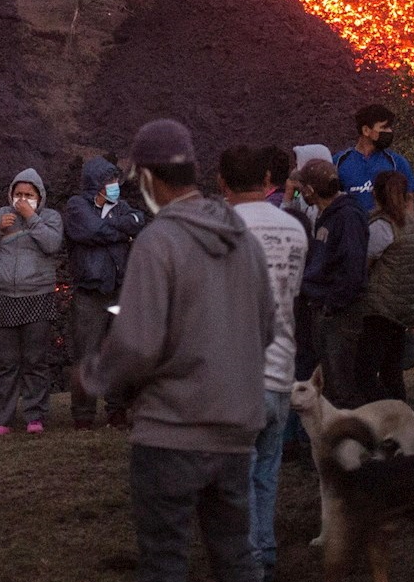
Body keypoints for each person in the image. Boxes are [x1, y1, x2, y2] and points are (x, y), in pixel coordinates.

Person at [80, 120, 272, 582]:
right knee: (235, 557)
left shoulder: (158, 241)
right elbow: (266, 329)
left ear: (147, 178)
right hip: (235, 427)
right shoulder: (243, 241)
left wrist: (94, 375)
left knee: (165, 561)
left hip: (172, 433)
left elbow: (137, 344)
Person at [218, 145, 308, 580]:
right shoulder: (294, 228)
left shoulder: (221, 228)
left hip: (236, 371)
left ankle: (250, 560)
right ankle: (265, 550)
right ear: (270, 178)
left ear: (222, 182)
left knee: (237, 476)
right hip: (282, 366)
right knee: (267, 472)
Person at [0, 169, 65, 434]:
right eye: (19, 194)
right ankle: (3, 419)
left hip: (37, 295)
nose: (23, 199)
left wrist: (31, 218)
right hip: (4, 296)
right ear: (11, 194)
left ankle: (34, 417)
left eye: (29, 194)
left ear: (40, 196)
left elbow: (52, 244)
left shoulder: (50, 218)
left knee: (35, 360)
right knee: (6, 362)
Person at [64, 156, 147, 430]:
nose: (114, 185)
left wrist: (115, 229)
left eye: (115, 180)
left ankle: (117, 410)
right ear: (95, 184)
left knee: (120, 352)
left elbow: (139, 220)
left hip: (118, 289)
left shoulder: (121, 207)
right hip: (89, 293)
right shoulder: (77, 206)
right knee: (86, 352)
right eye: (109, 181)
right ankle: (83, 414)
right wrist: (122, 234)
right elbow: (89, 229)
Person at [298, 158, 369, 409]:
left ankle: (355, 444)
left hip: (339, 313)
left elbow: (352, 268)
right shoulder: (328, 215)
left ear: (310, 190)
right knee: (330, 385)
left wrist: (333, 304)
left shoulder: (347, 216)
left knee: (342, 388)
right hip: (325, 307)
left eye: (302, 187)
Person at [353, 170, 414, 403]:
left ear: (375, 194)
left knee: (364, 373)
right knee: (392, 371)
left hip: (380, 306)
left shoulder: (381, 227)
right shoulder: (411, 225)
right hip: (403, 306)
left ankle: (386, 415)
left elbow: (364, 262)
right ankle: (400, 417)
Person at [334, 104, 414, 217]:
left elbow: (408, 200)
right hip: (352, 231)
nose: (389, 132)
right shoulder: (339, 162)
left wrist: (409, 230)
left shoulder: (396, 162)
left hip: (387, 232)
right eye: (384, 128)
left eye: (389, 127)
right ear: (366, 130)